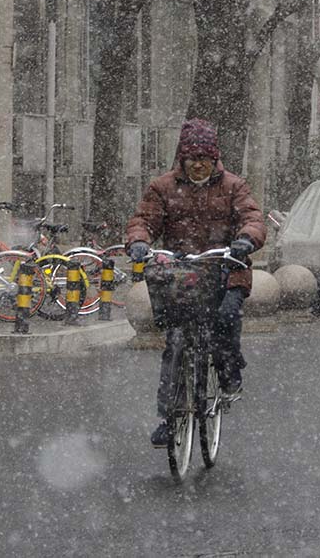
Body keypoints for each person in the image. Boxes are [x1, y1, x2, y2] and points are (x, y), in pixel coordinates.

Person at [126, 118, 267, 448]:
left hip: (225, 267)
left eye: (205, 158)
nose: (199, 165)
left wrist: (246, 240)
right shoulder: (162, 187)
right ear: (182, 159)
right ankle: (167, 417)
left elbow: (253, 218)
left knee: (226, 319)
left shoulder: (234, 186)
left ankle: (230, 375)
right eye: (192, 159)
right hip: (183, 270)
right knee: (175, 339)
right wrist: (138, 241)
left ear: (214, 158)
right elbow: (143, 220)